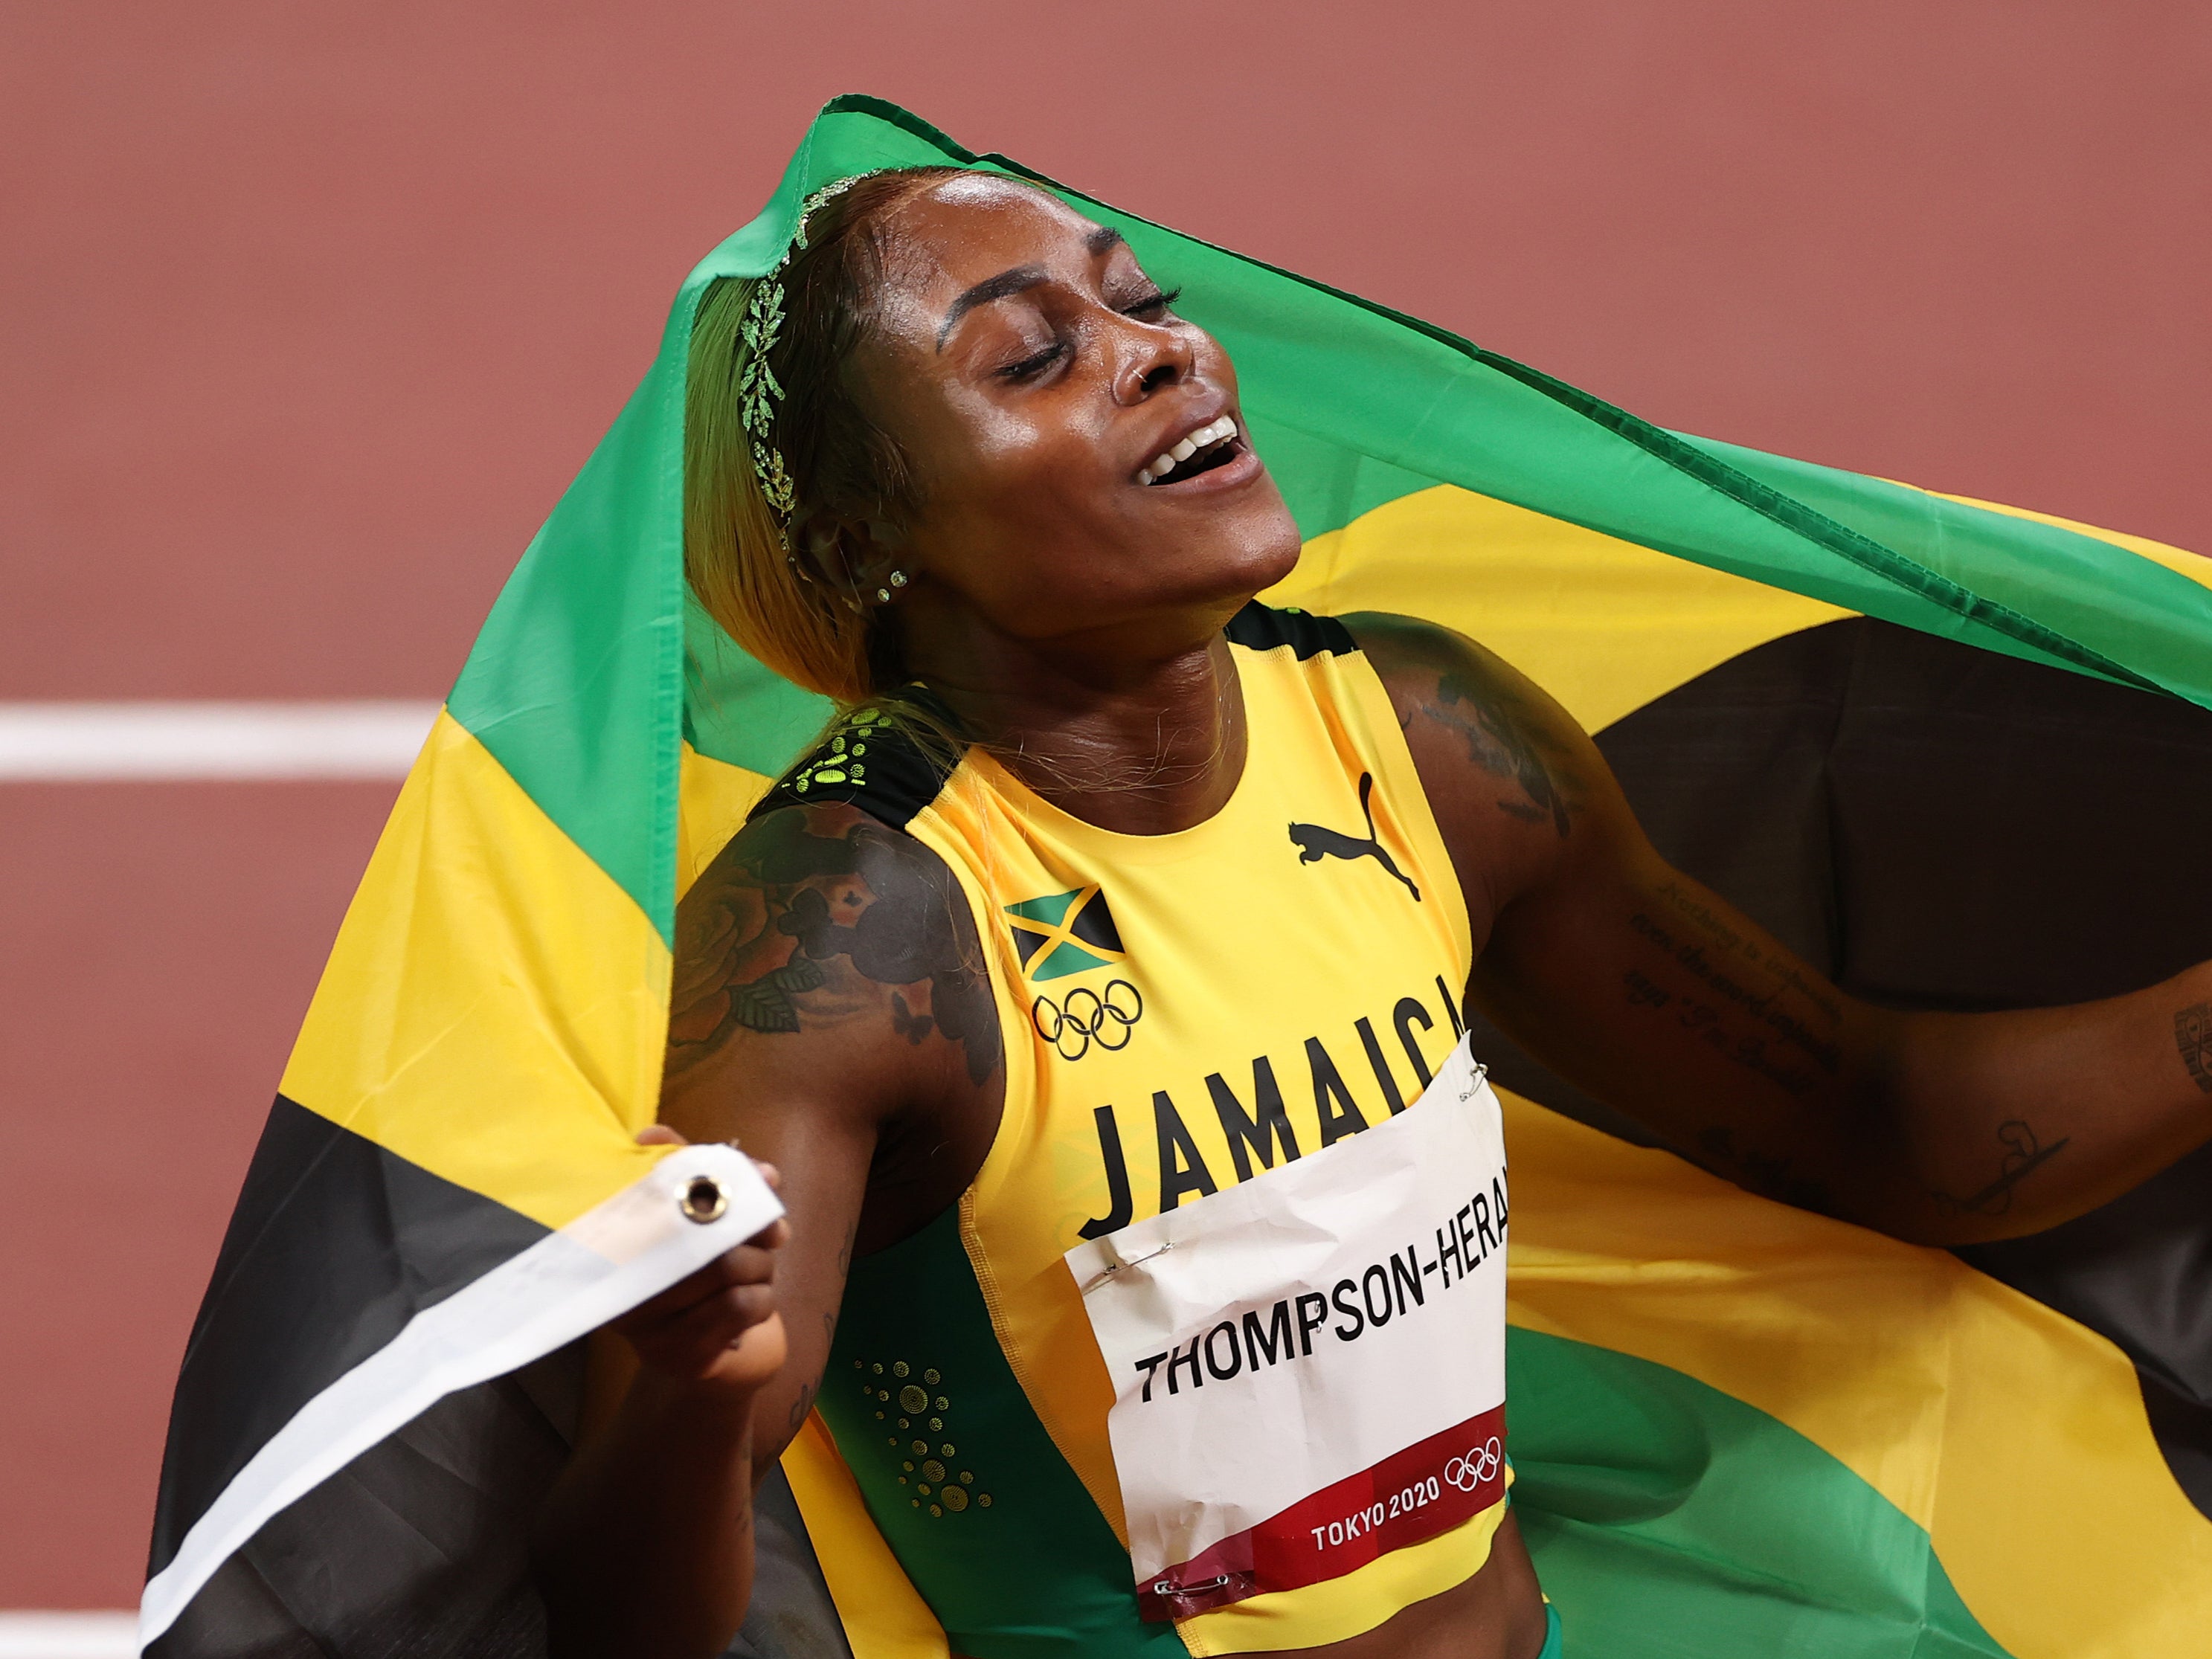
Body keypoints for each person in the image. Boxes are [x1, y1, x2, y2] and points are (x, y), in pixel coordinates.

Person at [530, 165, 2212, 1659]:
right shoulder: (845, 938)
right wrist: (692, 1389)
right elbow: (627, 1618)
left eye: (1140, 302)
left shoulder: (1420, 747)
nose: (1157, 352)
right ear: (866, 531)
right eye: (1031, 357)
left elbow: (1882, 1123)